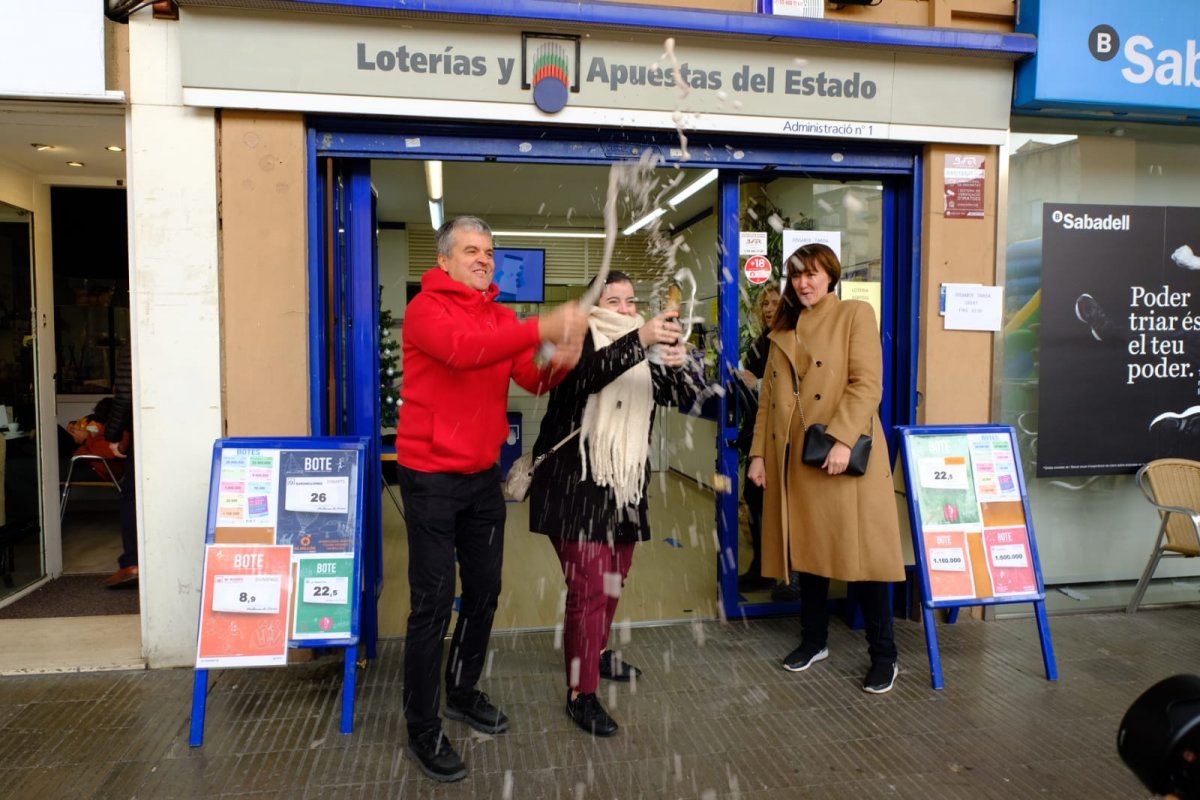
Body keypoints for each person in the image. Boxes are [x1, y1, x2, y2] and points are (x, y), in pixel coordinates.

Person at [395, 216, 587, 782]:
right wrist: (539, 324)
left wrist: (564, 349)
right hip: (428, 476)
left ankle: (462, 690)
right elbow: (463, 351)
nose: (484, 258)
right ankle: (422, 728)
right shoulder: (426, 310)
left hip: (482, 478)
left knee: (483, 592)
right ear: (446, 260)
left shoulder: (500, 317)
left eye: (489, 251)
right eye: (472, 250)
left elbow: (534, 378)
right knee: (432, 604)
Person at [529, 271, 700, 737]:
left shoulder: (641, 354)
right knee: (588, 589)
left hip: (623, 489)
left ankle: (597, 652)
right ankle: (580, 694)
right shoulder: (574, 340)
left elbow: (683, 398)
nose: (625, 309)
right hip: (574, 487)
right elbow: (588, 377)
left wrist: (678, 362)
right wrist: (642, 337)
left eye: (630, 301)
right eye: (614, 301)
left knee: (612, 580)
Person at [747, 243, 905, 694]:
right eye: (797, 275)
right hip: (798, 458)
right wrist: (758, 454)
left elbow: (867, 384)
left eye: (813, 274)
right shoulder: (783, 327)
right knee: (810, 557)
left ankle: (885, 655)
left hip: (845, 459)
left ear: (830, 276)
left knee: (868, 559)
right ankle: (814, 640)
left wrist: (841, 438)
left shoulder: (855, 314)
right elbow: (768, 400)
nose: (804, 283)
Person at [734, 284, 780, 594]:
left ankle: (770, 570)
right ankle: (764, 567)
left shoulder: (788, 340)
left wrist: (757, 382)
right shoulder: (761, 342)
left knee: (764, 502)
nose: (768, 308)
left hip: (778, 439)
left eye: (775, 302)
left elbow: (792, 389)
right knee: (755, 500)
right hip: (758, 435)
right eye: (764, 303)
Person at [103, 345, 138, 589]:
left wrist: (112, 434)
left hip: (148, 429)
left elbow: (125, 394)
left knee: (132, 497)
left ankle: (132, 563)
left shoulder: (136, 342)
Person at [65, 397, 129, 482]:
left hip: (97, 469)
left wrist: (85, 440)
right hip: (84, 458)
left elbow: (108, 451)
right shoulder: (100, 425)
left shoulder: (117, 430)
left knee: (51, 467)